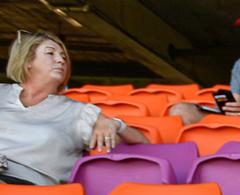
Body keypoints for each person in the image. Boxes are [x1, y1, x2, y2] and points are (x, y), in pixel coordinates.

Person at [1, 30, 146, 185]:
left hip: (32, 190)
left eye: (63, 57)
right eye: (51, 53)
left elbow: (142, 144)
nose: (61, 60)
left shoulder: (79, 112)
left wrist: (117, 124)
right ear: (27, 61)